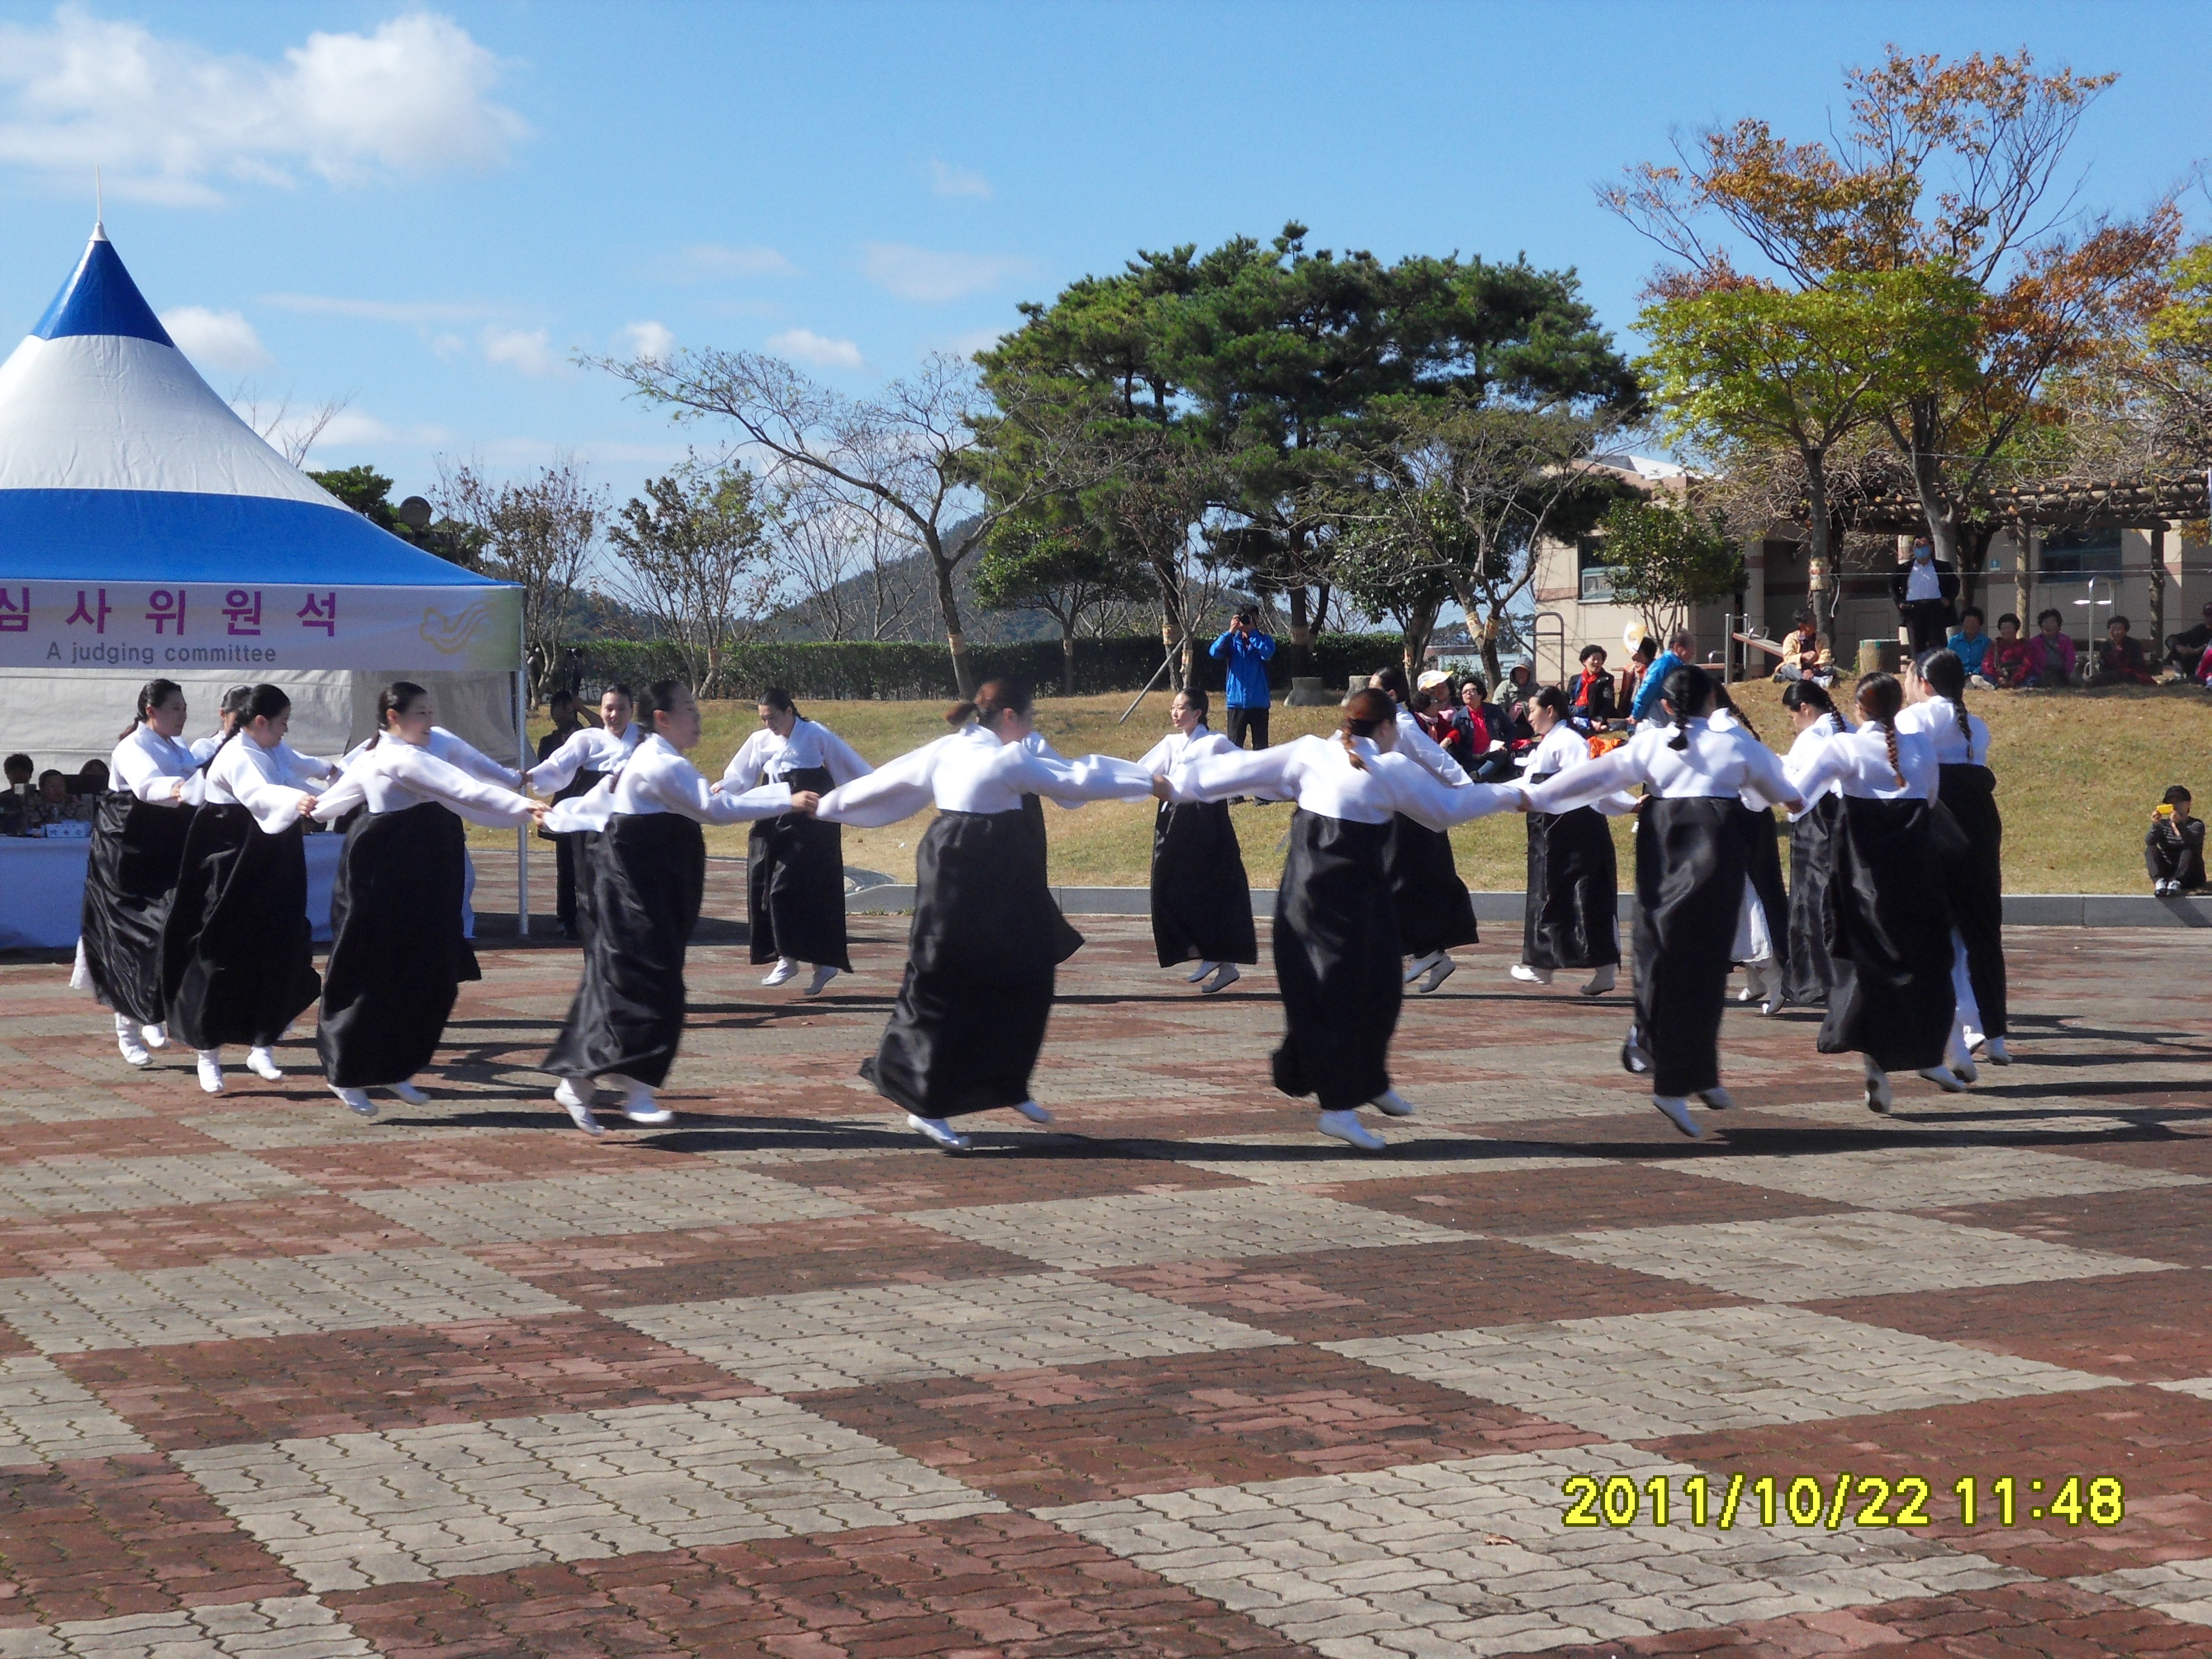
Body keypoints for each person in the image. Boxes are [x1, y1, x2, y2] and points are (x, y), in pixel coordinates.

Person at [812, 677, 1159, 1151]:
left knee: (1026, 971)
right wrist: (1148, 781)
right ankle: (926, 1105)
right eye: (1030, 718)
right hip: (967, 871)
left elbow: (880, 782)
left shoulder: (949, 749)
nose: (1032, 727)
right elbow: (1075, 779)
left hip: (978, 867)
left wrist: (826, 805)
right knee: (944, 982)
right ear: (1011, 717)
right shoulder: (1007, 757)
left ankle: (1006, 1084)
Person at [1170, 688, 1524, 1149]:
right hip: (1317, 899)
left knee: (1382, 989)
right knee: (1335, 999)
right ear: (1384, 727)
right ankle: (1338, 1109)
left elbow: (1236, 772)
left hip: (1355, 894)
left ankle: (1370, 1081)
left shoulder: (1324, 753)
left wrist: (1182, 780)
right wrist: (1513, 794)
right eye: (1395, 726)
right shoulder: (1360, 761)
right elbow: (1448, 810)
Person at [1523, 666, 1801, 1139]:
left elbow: (1590, 778)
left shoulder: (1652, 744)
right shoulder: (1736, 744)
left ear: (1667, 706)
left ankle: (1683, 1063)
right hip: (1714, 862)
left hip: (1665, 856)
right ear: (1713, 701)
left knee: (1660, 957)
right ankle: (1673, 1078)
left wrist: (1527, 795)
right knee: (1704, 970)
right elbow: (1788, 797)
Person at [541, 681, 808, 1134]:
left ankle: (583, 1083)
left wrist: (562, 813)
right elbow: (714, 808)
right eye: (688, 708)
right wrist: (786, 799)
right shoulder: (659, 762)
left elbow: (607, 799)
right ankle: (630, 1091)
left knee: (640, 982)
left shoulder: (655, 756)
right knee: (647, 982)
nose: (697, 715)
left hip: (652, 885)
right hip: (633, 888)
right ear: (662, 717)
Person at [310, 685, 546, 1116]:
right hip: (382, 867)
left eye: (431, 711)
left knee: (428, 968)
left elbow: (478, 773)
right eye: (421, 713)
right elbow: (465, 790)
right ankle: (346, 1071)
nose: (430, 720)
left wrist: (520, 786)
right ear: (394, 717)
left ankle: (397, 1065)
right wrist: (525, 808)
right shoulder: (393, 756)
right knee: (372, 966)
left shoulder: (428, 745)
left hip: (426, 863)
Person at [1787, 673, 1966, 1111]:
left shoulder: (1844, 746)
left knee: (1868, 964)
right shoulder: (1919, 745)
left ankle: (1878, 1066)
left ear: (1858, 707)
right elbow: (1928, 799)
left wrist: (1757, 775)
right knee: (1926, 960)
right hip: (1915, 867)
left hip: (1862, 874)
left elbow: (1797, 800)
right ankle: (1928, 1054)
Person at [158, 685, 335, 1096]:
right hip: (229, 857)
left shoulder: (272, 748)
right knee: (219, 953)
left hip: (274, 856)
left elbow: (297, 768)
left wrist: (337, 784)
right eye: (283, 723)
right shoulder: (237, 754)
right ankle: (208, 1052)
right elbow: (259, 793)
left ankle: (263, 1042)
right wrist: (300, 800)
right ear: (260, 722)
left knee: (281, 945)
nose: (286, 731)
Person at [77, 680, 199, 1067]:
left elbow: (202, 763)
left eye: (184, 708)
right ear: (152, 711)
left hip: (163, 852)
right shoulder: (132, 747)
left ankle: (150, 1010)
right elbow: (147, 788)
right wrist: (182, 788)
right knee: (129, 939)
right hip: (124, 859)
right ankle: (128, 1031)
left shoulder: (177, 747)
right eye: (175, 709)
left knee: (169, 932)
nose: (182, 715)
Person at [722, 688, 872, 995]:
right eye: (764, 719)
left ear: (790, 711)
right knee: (763, 880)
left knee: (790, 886)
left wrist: (873, 794)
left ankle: (811, 960)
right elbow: (741, 775)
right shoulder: (759, 741)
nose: (769, 725)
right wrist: (722, 787)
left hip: (810, 823)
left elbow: (852, 768)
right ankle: (786, 954)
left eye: (773, 717)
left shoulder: (816, 734)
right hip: (772, 814)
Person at [1902, 648, 2009, 1068]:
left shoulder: (1916, 718)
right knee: (1983, 935)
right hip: (1981, 828)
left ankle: (1953, 1036)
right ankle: (1995, 1035)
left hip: (1938, 824)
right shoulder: (1976, 726)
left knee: (1935, 938)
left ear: (1925, 684)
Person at [1513, 687, 1634, 996]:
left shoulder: (1567, 741)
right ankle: (1564, 967)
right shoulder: (1551, 743)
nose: (1529, 717)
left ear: (1551, 711)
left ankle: (1547, 967)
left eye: (1533, 709)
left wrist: (1628, 804)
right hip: (1555, 834)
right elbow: (1529, 783)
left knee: (1578, 895)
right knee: (1564, 895)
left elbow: (1593, 778)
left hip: (1572, 834)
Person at [1138, 688, 1256, 994]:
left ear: (1197, 714)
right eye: (1173, 708)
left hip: (1207, 821)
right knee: (1168, 886)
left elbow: (1250, 767)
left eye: (1181, 708)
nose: (1175, 713)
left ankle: (1216, 955)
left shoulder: (1214, 742)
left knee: (1210, 885)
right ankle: (1218, 959)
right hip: (1173, 820)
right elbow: (1141, 773)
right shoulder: (1171, 743)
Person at [1370, 666, 1479, 993]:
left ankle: (1427, 953)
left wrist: (1467, 790)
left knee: (1405, 882)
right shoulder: (1386, 724)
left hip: (1413, 818)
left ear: (1391, 695)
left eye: (1375, 689)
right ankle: (1430, 954)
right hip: (1398, 813)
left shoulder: (1403, 725)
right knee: (1403, 883)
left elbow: (1439, 760)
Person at [526, 684, 644, 942]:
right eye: (608, 709)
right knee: (579, 870)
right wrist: (529, 777)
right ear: (600, 710)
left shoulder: (647, 741)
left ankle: (627, 924)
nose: (614, 715)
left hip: (629, 814)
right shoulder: (587, 739)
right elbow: (556, 767)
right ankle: (574, 920)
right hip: (586, 809)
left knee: (627, 873)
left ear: (632, 710)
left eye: (621, 709)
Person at [1710, 687, 1791, 1016]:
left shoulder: (1722, 733)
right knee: (1743, 900)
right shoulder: (1727, 730)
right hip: (1743, 822)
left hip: (1740, 824)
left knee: (1745, 901)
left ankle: (1773, 978)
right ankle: (1757, 979)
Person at [1777, 680, 1848, 1008]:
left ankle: (1816, 982)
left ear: (1804, 708)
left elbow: (1796, 788)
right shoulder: (1847, 724)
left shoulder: (1813, 737)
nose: (1794, 722)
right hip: (1843, 820)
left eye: (1793, 715)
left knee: (1812, 902)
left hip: (1816, 822)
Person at [535, 688, 589, 937]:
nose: (558, 712)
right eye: (557, 707)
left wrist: (583, 710)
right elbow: (547, 769)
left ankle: (589, 916)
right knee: (567, 868)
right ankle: (566, 917)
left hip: (588, 809)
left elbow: (606, 733)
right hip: (565, 810)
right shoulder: (549, 741)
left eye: (564, 707)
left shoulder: (588, 735)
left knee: (591, 868)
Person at [1208, 607, 1276, 751]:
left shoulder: (1265, 639)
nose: (1246, 621)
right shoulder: (1231, 641)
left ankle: (1261, 774)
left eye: (1250, 618)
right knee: (1233, 747)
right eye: (1242, 618)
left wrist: (1253, 634)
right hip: (1236, 701)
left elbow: (1267, 653)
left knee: (1261, 748)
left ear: (1257, 619)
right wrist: (1230, 632)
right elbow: (1214, 652)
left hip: (1259, 702)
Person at [1891, 537, 1960, 654]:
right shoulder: (1904, 568)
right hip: (1913, 610)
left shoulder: (1943, 567)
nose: (1921, 549)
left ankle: (1939, 670)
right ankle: (1918, 670)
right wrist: (1900, 602)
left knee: (1938, 646)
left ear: (1931, 547)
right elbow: (1892, 587)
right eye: (1917, 545)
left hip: (1936, 608)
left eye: (1924, 545)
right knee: (1917, 647)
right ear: (1913, 548)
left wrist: (1948, 599)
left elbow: (1955, 584)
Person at [1627, 628, 1694, 724]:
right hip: (1657, 716)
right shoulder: (1663, 665)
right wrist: (1636, 715)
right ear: (1677, 647)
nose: (1692, 654)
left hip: (1668, 716)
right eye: (1690, 649)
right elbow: (1647, 690)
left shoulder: (1677, 665)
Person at [2147, 786, 2205, 896]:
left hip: (2191, 874)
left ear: (2188, 804)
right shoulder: (2163, 825)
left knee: (2188, 849)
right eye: (2171, 803)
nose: (2175, 806)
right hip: (2169, 870)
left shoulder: (2196, 825)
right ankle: (2160, 882)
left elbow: (2190, 842)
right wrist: (2155, 825)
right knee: (2151, 849)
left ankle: (2176, 881)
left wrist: (2178, 824)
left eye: (2179, 802)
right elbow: (2150, 842)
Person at [190, 685, 253, 763]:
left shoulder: (264, 749)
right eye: (238, 721)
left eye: (249, 721)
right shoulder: (205, 748)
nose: (244, 727)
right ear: (223, 715)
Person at [2089, 615, 2157, 686]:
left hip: (2132, 674)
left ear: (2125, 631)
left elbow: (2138, 664)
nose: (2116, 632)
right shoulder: (2106, 646)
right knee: (2094, 680)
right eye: (2113, 629)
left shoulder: (2133, 644)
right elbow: (2104, 665)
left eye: (2119, 629)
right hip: (2112, 674)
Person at [2022, 609, 2076, 687]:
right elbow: (2032, 663)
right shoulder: (2035, 642)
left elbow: (2070, 660)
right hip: (2042, 674)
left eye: (2052, 622)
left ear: (2059, 625)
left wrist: (2069, 674)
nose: (2049, 625)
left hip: (2060, 673)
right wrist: (2040, 673)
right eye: (2045, 623)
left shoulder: (2066, 640)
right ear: (2041, 626)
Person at [1569, 645, 1618, 725]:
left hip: (1595, 714)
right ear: (1584, 661)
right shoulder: (1575, 679)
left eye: (1599, 659)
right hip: (1577, 711)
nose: (1596, 662)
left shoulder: (1607, 678)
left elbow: (1608, 702)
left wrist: (1600, 719)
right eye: (1594, 659)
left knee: (1593, 688)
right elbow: (1569, 699)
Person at [1772, 615, 1828, 685]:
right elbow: (1788, 658)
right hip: (1798, 668)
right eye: (1812, 622)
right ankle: (1816, 681)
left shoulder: (1822, 637)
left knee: (1828, 669)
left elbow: (1826, 657)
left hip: (1816, 668)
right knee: (1787, 668)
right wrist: (1803, 656)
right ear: (1802, 626)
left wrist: (1813, 669)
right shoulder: (1791, 638)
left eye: (1815, 622)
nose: (1815, 624)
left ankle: (1788, 678)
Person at [2165, 603, 2212, 679]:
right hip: (2196, 666)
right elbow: (2171, 639)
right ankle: (2178, 676)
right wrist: (2179, 647)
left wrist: (2199, 650)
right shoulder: (2199, 630)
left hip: (2209, 667)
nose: (2210, 618)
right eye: (2207, 614)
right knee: (2176, 652)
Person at [1946, 608, 1992, 685]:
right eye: (1967, 622)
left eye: (1974, 623)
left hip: (1979, 675)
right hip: (1958, 675)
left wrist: (1974, 674)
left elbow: (1986, 662)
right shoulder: (1954, 641)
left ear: (1980, 625)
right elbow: (1950, 661)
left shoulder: (1986, 642)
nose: (1970, 625)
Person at [1986, 614, 2029, 689]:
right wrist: (1998, 678)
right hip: (2000, 675)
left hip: (2018, 676)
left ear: (2016, 629)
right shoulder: (1996, 645)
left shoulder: (2024, 645)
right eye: (2003, 628)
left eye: (2009, 628)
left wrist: (2015, 679)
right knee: (1987, 677)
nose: (2006, 631)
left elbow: (2026, 664)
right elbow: (1988, 663)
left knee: (2032, 679)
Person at [1617, 637, 1657, 717]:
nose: (1634, 657)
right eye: (1633, 652)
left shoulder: (1655, 672)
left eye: (1639, 654)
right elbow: (1624, 697)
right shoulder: (1630, 671)